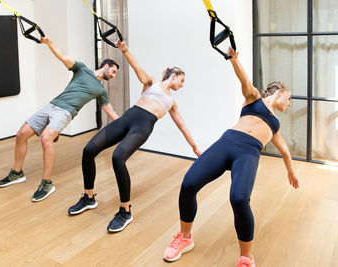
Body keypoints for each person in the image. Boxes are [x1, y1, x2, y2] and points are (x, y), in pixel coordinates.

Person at [162, 47, 299, 266]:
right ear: (280, 92)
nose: (289, 104)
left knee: (238, 198)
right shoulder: (254, 99)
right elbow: (245, 81)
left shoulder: (275, 124)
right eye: (289, 98)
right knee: (188, 184)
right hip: (227, 142)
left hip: (248, 152)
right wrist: (234, 61)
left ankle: (246, 257)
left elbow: (284, 151)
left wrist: (291, 171)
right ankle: (185, 238)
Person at [67, 41, 201, 232]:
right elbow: (136, 66)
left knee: (117, 158)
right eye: (182, 80)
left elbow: (183, 127)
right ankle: (88, 197)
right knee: (88, 150)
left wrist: (195, 147)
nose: (182, 85)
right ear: (174, 75)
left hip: (142, 126)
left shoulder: (171, 102)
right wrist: (124, 49)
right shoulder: (151, 83)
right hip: (127, 118)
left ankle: (125, 210)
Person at [0, 36, 120, 202]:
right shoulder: (82, 69)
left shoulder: (100, 90)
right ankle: (17, 173)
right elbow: (63, 57)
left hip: (66, 112)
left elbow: (110, 111)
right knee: (21, 134)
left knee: (46, 139)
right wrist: (49, 43)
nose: (113, 76)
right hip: (52, 105)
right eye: (113, 71)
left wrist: (125, 127)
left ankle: (47, 183)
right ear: (106, 66)